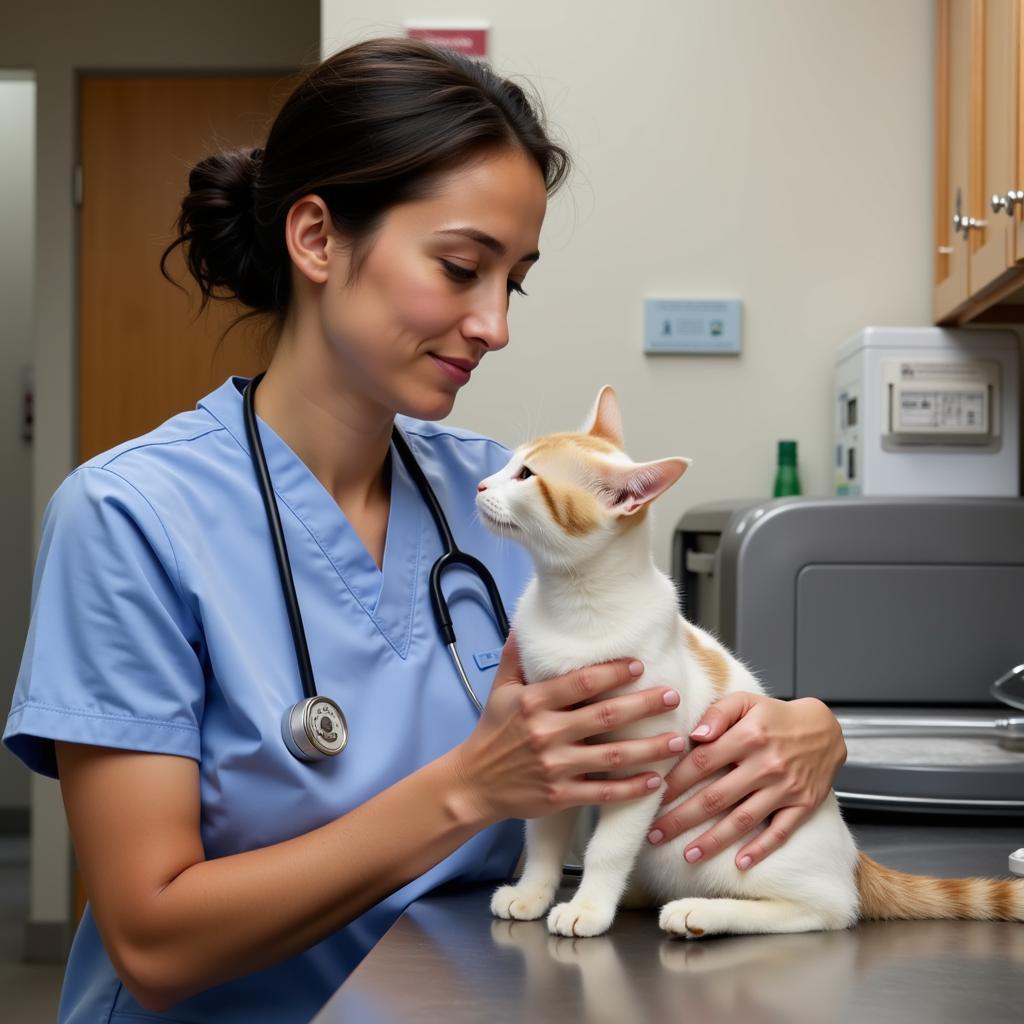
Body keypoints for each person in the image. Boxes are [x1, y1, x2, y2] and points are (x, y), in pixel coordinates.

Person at [3, 37, 846, 1023]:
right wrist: (468, 788)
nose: (494, 323)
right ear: (316, 239)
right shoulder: (129, 519)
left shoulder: (497, 504)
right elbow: (154, 940)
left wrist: (803, 728)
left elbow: (655, 708)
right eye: (460, 267)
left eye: (513, 281)